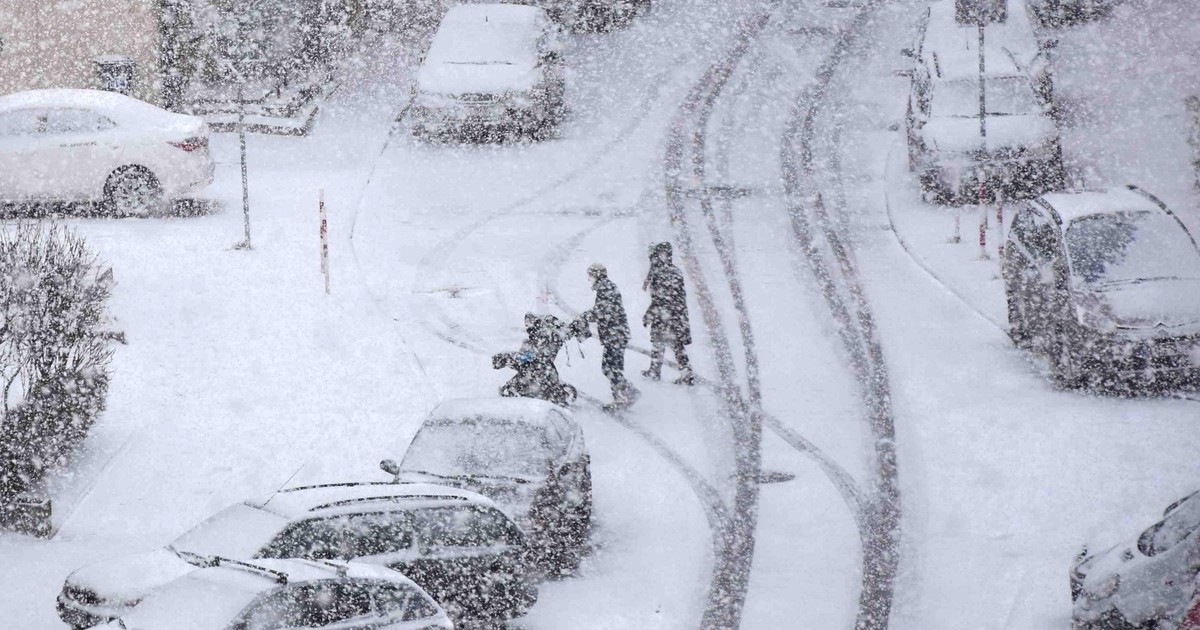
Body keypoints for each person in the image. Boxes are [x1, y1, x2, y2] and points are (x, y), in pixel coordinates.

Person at [580, 263, 639, 408]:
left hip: (615, 335)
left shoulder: (606, 288)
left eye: (591, 275)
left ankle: (626, 394)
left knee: (609, 368)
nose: (590, 279)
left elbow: (602, 311)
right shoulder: (606, 287)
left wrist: (584, 317)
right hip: (615, 334)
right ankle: (621, 395)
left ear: (597, 275)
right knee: (612, 367)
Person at [494, 313, 576, 406]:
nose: (528, 328)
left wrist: (509, 359)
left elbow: (525, 359)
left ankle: (557, 396)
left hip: (539, 379)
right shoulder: (534, 344)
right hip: (537, 379)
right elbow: (522, 359)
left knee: (535, 376)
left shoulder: (543, 341)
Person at [642, 242, 694, 385]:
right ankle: (681, 372)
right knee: (667, 343)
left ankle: (680, 373)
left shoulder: (666, 273)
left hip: (668, 315)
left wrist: (650, 314)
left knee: (671, 343)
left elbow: (662, 298)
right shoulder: (671, 271)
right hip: (672, 315)